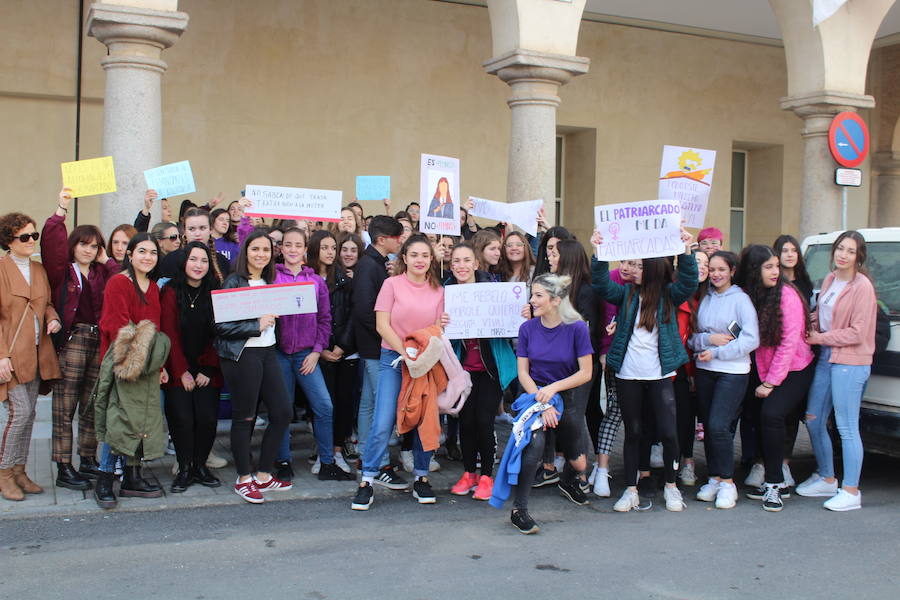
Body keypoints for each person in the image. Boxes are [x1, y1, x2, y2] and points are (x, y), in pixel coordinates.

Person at [591, 227, 697, 513]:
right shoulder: (624, 294)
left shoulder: (667, 295)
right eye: (630, 264)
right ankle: (631, 489)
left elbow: (688, 281)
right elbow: (600, 284)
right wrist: (599, 252)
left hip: (660, 375)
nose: (631, 270)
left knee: (668, 432)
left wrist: (687, 252)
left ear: (650, 269)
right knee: (634, 432)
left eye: (638, 266)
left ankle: (672, 488)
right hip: (628, 375)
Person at [352, 234, 448, 510]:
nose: (420, 260)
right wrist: (404, 352)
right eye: (414, 254)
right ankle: (367, 480)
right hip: (393, 358)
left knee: (423, 419)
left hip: (425, 361)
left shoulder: (438, 290)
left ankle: (421, 477)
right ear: (404, 258)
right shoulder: (391, 284)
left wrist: (442, 325)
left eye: (425, 255)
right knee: (382, 421)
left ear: (432, 259)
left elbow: (439, 329)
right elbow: (382, 325)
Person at [41, 188, 118, 490]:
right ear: (74, 246)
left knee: (91, 405)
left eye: (93, 246)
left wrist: (107, 257)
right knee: (65, 406)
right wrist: (61, 210)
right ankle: (63, 466)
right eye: (83, 244)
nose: (87, 250)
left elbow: (120, 277)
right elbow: (51, 243)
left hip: (98, 341)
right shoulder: (63, 271)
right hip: (72, 341)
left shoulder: (102, 272)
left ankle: (87, 459)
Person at [505, 273, 593, 533]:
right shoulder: (527, 328)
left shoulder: (577, 327)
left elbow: (585, 373)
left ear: (555, 300)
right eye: (532, 295)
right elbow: (523, 373)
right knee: (535, 444)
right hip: (536, 394)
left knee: (579, 462)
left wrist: (554, 389)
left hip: (568, 393)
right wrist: (543, 403)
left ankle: (569, 479)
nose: (531, 300)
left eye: (538, 295)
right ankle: (519, 509)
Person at [797, 230, 877, 511]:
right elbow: (823, 313)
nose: (843, 255)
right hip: (827, 356)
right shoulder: (831, 279)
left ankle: (851, 491)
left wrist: (819, 338)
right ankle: (827, 477)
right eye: (840, 248)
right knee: (813, 419)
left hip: (851, 361)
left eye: (850, 251)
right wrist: (807, 321)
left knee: (846, 426)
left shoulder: (862, 287)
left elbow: (857, 332)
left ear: (859, 256)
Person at [214, 231, 293, 503]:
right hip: (243, 355)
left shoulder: (270, 281)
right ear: (245, 251)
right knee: (244, 416)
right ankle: (243, 478)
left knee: (283, 412)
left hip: (268, 352)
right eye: (255, 249)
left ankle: (263, 475)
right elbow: (220, 326)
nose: (261, 254)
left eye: (266, 250)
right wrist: (255, 326)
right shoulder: (234, 281)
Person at [94, 233, 169, 509]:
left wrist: (158, 366)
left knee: (140, 420)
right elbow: (117, 327)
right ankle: (104, 478)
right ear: (130, 254)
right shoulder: (118, 282)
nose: (148, 257)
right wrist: (134, 364)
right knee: (120, 420)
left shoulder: (153, 288)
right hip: (122, 362)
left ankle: (132, 477)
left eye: (152, 252)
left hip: (147, 366)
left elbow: (156, 329)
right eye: (142, 251)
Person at [736, 244, 814, 511]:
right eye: (768, 266)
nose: (774, 271)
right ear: (754, 270)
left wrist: (771, 382)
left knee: (772, 415)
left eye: (776, 266)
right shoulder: (750, 294)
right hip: (762, 367)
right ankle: (774, 480)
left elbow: (789, 344)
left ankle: (774, 484)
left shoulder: (787, 295)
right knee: (761, 418)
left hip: (795, 368)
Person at [274, 228, 353, 481]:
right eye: (288, 245)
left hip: (306, 355)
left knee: (324, 406)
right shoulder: (273, 276)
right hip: (279, 354)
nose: (293, 249)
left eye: (298, 245)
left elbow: (325, 320)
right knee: (283, 410)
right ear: (282, 248)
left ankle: (328, 462)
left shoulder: (315, 282)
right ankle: (283, 461)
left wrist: (317, 351)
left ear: (305, 249)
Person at [688, 250, 759, 509]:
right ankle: (715, 478)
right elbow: (693, 337)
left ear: (732, 271)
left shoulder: (741, 300)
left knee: (719, 425)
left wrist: (718, 351)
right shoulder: (704, 298)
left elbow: (751, 339)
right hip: (705, 368)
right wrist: (709, 341)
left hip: (733, 371)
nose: (716, 274)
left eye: (721, 269)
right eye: (712, 269)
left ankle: (728, 483)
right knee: (709, 426)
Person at [446, 243, 518, 501]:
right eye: (456, 261)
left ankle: (487, 476)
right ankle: (469, 474)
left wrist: (519, 314)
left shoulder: (495, 290)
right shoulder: (447, 293)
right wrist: (441, 323)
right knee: (465, 421)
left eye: (467, 260)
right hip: (462, 370)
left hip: (491, 370)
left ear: (476, 263)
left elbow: (512, 326)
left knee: (484, 421)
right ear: (451, 265)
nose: (461, 266)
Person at [0, 212, 62, 501]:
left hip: (38, 353)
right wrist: (1, 357)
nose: (31, 241)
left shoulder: (38, 270)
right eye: (24, 236)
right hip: (11, 355)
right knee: (20, 413)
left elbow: (47, 302)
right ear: (9, 242)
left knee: (31, 414)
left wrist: (53, 317)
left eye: (33, 235)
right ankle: (4, 473)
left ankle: (21, 470)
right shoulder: (1, 269)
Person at [160, 242, 223, 493]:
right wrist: (181, 370)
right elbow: (168, 334)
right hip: (179, 370)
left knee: (207, 418)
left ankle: (200, 465)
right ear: (184, 261)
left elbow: (219, 334)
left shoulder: (215, 291)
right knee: (182, 419)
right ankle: (184, 467)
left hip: (208, 369)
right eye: (194, 259)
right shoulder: (170, 292)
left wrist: (208, 368)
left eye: (204, 261)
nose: (199, 265)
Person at [351, 216, 404, 487]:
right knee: (379, 408)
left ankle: (365, 455)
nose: (401, 241)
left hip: (374, 345)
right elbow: (364, 310)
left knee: (369, 405)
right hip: (375, 347)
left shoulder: (376, 264)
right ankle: (379, 462)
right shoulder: (368, 266)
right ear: (383, 239)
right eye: (398, 237)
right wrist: (388, 335)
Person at [590, 258, 642, 497]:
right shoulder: (612, 280)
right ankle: (601, 468)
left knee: (641, 419)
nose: (626, 267)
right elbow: (604, 319)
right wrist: (604, 350)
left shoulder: (651, 286)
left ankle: (642, 468)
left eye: (633, 263)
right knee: (614, 412)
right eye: (623, 261)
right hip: (616, 359)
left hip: (646, 365)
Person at [308, 230, 360, 462]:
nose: (330, 252)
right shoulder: (306, 279)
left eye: (333, 248)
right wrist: (321, 349)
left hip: (343, 352)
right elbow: (306, 319)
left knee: (343, 402)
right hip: (316, 353)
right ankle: (323, 449)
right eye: (325, 248)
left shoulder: (344, 280)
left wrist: (341, 347)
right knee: (321, 404)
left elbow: (352, 316)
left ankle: (337, 449)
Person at [673, 250, 709, 487]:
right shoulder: (677, 296)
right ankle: (685, 462)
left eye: (707, 264)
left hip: (710, 365)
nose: (703, 268)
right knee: (684, 418)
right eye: (697, 262)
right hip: (683, 368)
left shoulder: (712, 297)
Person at [160, 207, 229, 282]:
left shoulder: (222, 261)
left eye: (202, 228)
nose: (197, 234)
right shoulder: (171, 260)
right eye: (192, 229)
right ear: (184, 231)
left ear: (210, 230)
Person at [773, 234, 813, 307]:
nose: (790, 255)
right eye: (785, 251)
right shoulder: (773, 282)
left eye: (794, 250)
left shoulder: (804, 281)